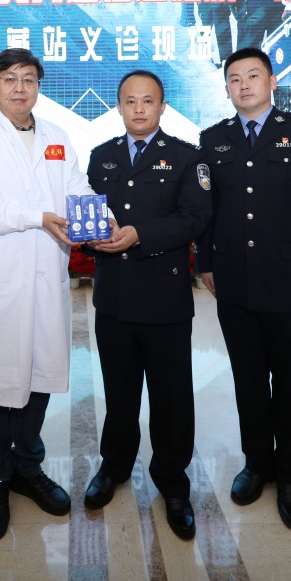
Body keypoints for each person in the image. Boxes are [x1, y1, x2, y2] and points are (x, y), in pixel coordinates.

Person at [0, 47, 96, 541]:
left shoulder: (57, 138)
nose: (19, 88)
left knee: (37, 379)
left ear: (38, 86)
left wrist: (99, 217)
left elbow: (76, 187)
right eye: (9, 78)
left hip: (45, 279)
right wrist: (38, 217)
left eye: (28, 79)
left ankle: (28, 468)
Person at [195, 47, 291, 532]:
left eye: (253, 76)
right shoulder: (213, 140)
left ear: (272, 81)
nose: (244, 85)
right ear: (227, 89)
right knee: (249, 381)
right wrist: (206, 262)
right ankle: (256, 465)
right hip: (234, 282)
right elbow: (206, 211)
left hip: (290, 283)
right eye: (234, 79)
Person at [83, 70, 212, 540]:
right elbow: (89, 211)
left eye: (148, 101)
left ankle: (173, 483)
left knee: (171, 397)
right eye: (130, 101)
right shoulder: (102, 157)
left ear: (162, 107)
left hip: (164, 298)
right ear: (118, 106)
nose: (139, 109)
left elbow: (195, 218)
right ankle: (114, 467)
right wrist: (89, 235)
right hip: (113, 297)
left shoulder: (186, 157)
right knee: (118, 392)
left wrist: (140, 234)